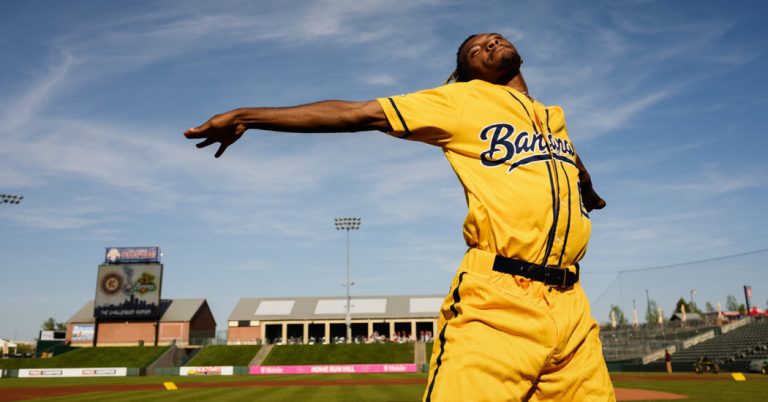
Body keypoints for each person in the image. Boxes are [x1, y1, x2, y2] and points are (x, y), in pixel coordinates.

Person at [185, 33, 613, 401]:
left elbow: (572, 161)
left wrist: (589, 192)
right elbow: (355, 114)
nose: (490, 42)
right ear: (468, 73)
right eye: (475, 49)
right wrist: (247, 117)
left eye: (494, 37)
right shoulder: (460, 101)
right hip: (500, 302)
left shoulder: (551, 118)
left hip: (572, 309)